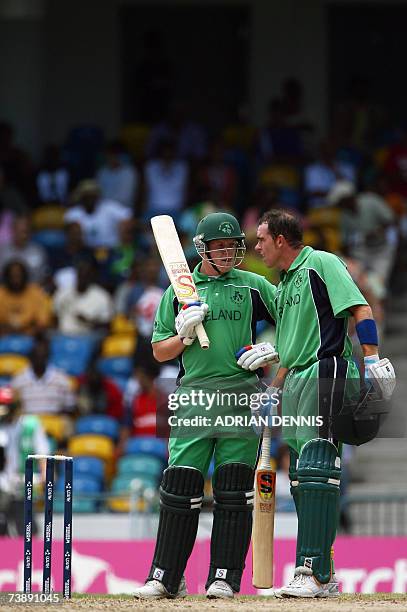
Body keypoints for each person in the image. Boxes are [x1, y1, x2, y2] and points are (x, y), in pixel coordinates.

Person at [244, 209, 395, 598]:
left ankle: (310, 570)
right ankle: (322, 574)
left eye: (261, 240)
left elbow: (360, 308)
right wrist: (274, 387)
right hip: (295, 378)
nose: (256, 247)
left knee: (316, 468)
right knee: (299, 478)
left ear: (280, 239)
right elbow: (290, 349)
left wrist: (373, 359)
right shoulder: (284, 284)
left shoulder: (321, 263)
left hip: (326, 371)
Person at [133, 212, 279, 600]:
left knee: (233, 490)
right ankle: (166, 577)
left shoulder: (254, 286)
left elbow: (295, 322)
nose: (229, 252)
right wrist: (182, 334)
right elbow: (159, 351)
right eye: (221, 246)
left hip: (240, 395)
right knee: (180, 486)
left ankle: (224, 578)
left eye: (234, 246)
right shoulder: (180, 290)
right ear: (203, 248)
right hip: (194, 396)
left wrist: (274, 349)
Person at [0, 260, 52, 336]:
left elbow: (43, 322)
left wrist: (28, 332)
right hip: (3, 334)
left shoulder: (36, 293)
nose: (16, 281)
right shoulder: (1, 293)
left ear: (25, 276)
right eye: (12, 276)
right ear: (6, 278)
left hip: (31, 335)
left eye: (18, 276)